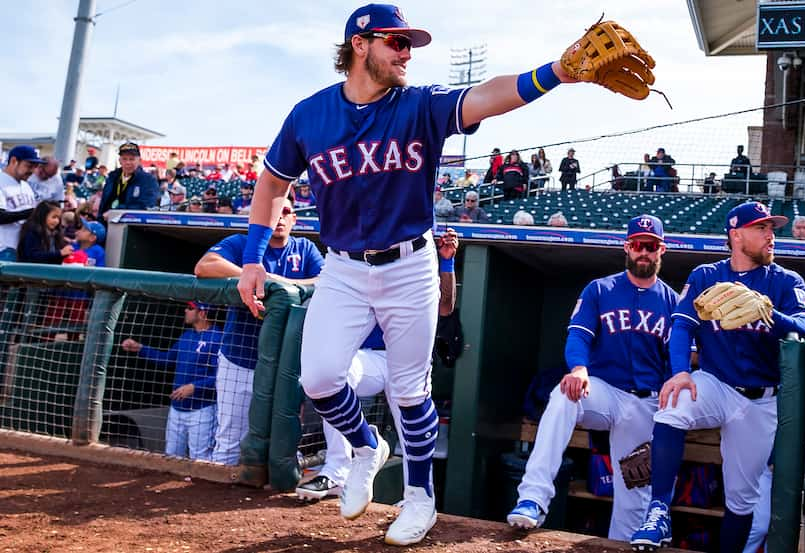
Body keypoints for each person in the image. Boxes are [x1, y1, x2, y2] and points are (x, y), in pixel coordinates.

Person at [236, 4, 583, 545]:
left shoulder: (419, 104)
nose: (406, 51)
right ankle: (368, 446)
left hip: (409, 263)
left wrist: (557, 72)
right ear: (360, 44)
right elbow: (272, 182)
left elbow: (487, 96)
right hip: (344, 266)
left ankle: (420, 497)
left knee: (409, 390)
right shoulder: (309, 114)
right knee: (320, 378)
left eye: (409, 43)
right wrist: (255, 257)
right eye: (395, 41)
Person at [630, 202, 805, 552]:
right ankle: (658, 512)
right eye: (761, 228)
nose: (770, 235)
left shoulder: (787, 280)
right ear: (736, 234)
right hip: (715, 384)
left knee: (742, 501)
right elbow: (682, 325)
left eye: (771, 228)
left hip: (764, 400)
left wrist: (770, 314)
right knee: (672, 406)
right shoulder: (705, 275)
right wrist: (681, 372)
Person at [508, 215, 678, 540]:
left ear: (662, 250)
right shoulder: (601, 288)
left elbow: (678, 360)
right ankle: (533, 497)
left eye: (651, 246)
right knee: (563, 396)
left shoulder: (673, 301)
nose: (644, 251)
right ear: (627, 247)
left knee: (634, 503)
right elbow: (579, 335)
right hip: (604, 391)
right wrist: (578, 368)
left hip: (646, 405)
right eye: (638, 244)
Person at [296, 229, 459, 501]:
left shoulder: (417, 258)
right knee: (332, 377)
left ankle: (416, 496)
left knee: (411, 409)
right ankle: (337, 469)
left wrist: (447, 261)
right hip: (369, 356)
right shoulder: (354, 263)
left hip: (401, 358)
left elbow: (445, 307)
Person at [195, 197, 324, 465]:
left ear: (293, 219)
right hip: (239, 359)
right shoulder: (243, 244)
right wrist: (250, 275)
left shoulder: (304, 247)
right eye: (273, 211)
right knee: (229, 442)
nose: (279, 217)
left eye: (285, 212)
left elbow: (325, 280)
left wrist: (282, 284)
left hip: (285, 365)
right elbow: (205, 266)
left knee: (284, 443)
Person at [120, 302, 222, 461]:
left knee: (201, 458)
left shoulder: (218, 338)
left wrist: (194, 387)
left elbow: (222, 377)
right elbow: (167, 359)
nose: (185, 310)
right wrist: (140, 348)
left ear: (202, 313)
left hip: (202, 409)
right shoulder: (186, 336)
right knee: (172, 456)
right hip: (177, 408)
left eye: (190, 308)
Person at [99, 142, 160, 221]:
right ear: (120, 161)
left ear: (139, 160)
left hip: (130, 226)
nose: (128, 162)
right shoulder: (112, 177)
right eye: (124, 159)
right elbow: (103, 204)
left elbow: (147, 206)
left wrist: (116, 212)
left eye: (132, 159)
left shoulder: (148, 180)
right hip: (105, 222)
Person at [0, 146, 42, 260]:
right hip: (3, 249)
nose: (32, 171)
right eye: (29, 166)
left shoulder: (26, 186)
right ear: (14, 161)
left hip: (22, 248)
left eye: (35, 167)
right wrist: (31, 213)